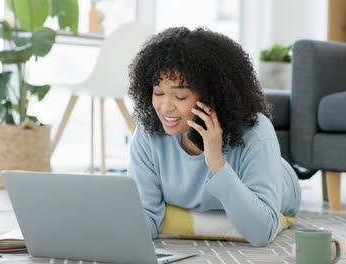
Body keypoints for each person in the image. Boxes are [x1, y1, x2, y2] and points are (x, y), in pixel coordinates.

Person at [127, 27, 301, 247]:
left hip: (280, 179)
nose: (165, 107)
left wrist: (216, 162)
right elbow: (147, 217)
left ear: (212, 97)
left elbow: (261, 232)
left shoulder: (256, 133)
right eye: (158, 93)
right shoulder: (147, 134)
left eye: (180, 96)